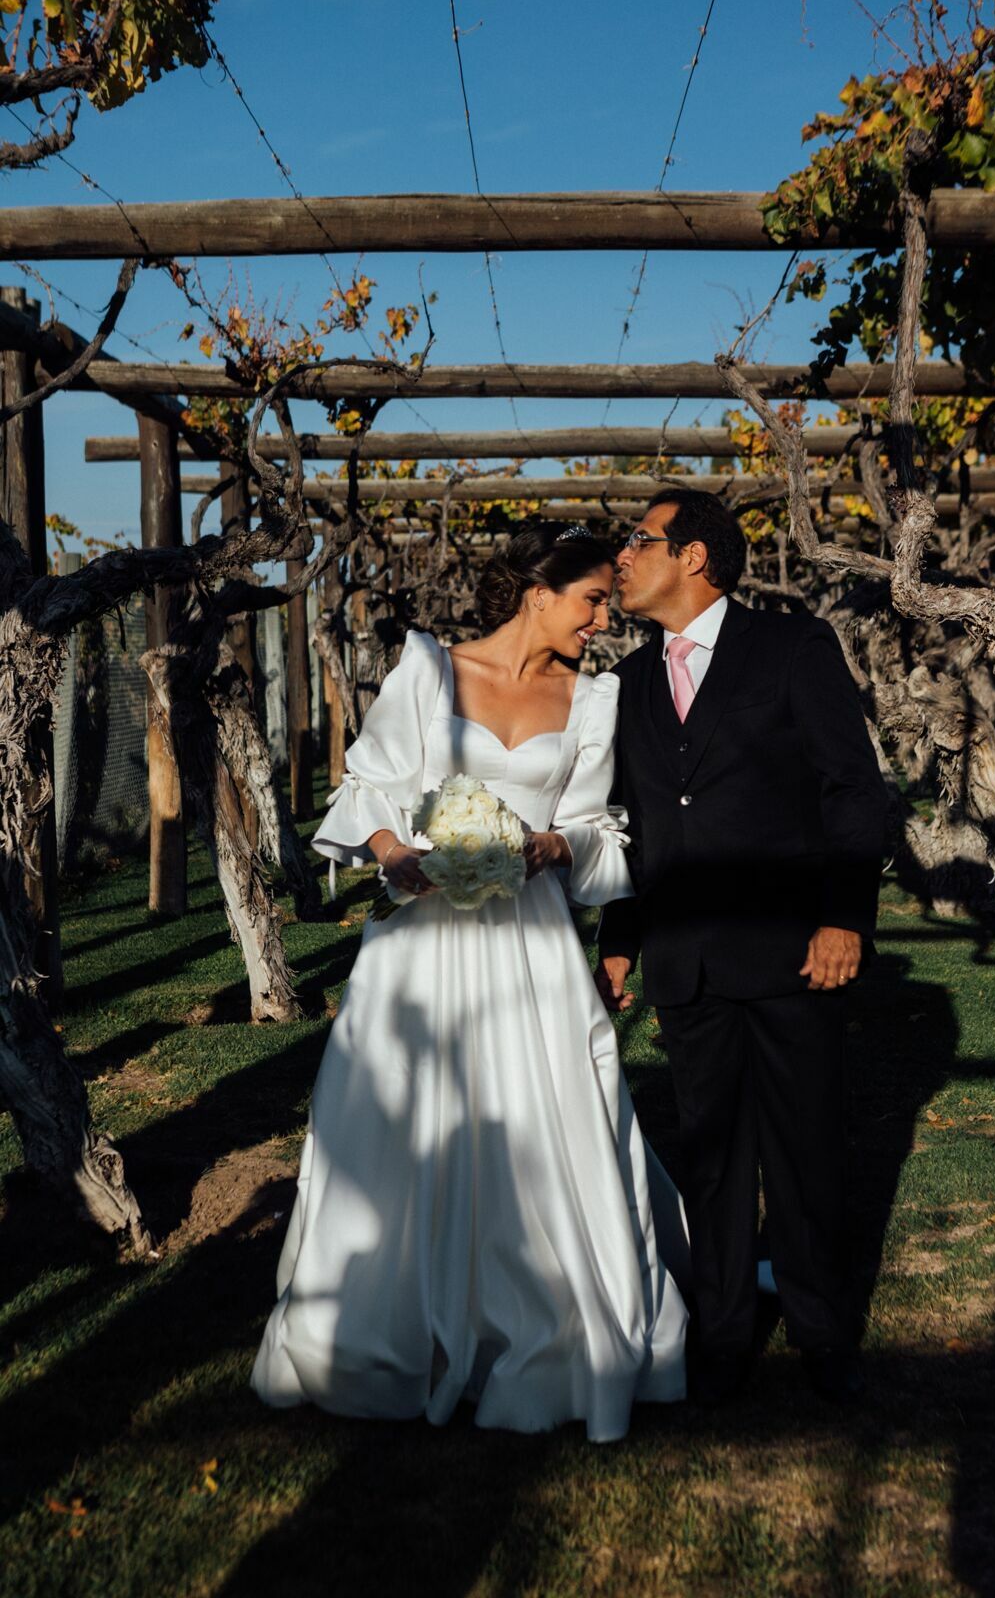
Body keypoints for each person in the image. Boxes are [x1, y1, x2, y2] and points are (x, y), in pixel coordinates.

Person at [252, 523, 688, 1443]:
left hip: (527, 943)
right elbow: (367, 787)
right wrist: (393, 855)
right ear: (540, 592)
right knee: (405, 1116)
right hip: (421, 944)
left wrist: (551, 843)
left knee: (546, 1115)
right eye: (592, 600)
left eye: (610, 602)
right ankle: (387, 1330)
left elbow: (601, 831)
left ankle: (545, 1329)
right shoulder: (427, 670)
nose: (604, 619)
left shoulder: (595, 700)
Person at [596, 488, 888, 1407]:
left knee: (805, 1150)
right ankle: (721, 1335)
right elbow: (634, 823)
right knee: (711, 1155)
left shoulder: (792, 649)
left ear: (693, 558)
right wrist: (619, 941)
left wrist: (844, 916)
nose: (621, 556)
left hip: (794, 949)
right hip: (685, 959)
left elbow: (852, 789)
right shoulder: (632, 681)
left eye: (638, 540)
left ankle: (820, 1331)